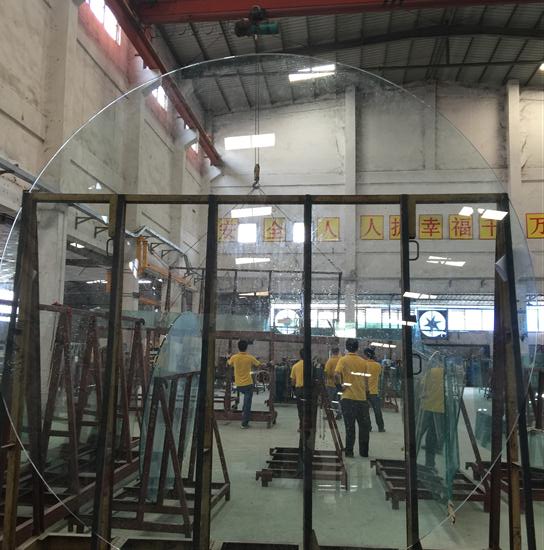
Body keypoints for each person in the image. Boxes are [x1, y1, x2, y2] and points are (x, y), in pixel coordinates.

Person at [335, 339, 371, 458]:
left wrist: (340, 387)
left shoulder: (343, 360)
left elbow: (336, 374)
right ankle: (364, 452)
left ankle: (349, 452)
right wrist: (367, 394)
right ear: (357, 348)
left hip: (348, 399)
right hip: (361, 399)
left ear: (346, 348)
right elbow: (366, 380)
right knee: (364, 427)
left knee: (350, 427)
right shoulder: (363, 362)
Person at [227, 340, 260, 429]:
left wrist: (228, 357)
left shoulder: (234, 357)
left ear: (238, 347)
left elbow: (229, 363)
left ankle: (243, 413)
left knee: (245, 402)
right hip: (248, 384)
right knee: (247, 403)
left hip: (238, 384)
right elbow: (258, 364)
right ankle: (244, 422)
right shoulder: (250, 357)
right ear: (246, 347)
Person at [418, 364, 445, 469]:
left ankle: (412, 459)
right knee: (432, 438)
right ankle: (430, 464)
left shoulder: (431, 372)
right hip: (439, 409)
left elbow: (422, 387)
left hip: (427, 407)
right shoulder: (447, 373)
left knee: (418, 434)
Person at [363, 347, 385, 432]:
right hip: (374, 391)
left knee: (365, 411)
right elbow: (379, 374)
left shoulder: (363, 364)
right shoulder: (378, 365)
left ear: (366, 355)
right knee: (377, 410)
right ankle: (381, 427)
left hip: (364, 391)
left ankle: (368, 427)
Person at [324, 347, 342, 419]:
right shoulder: (341, 360)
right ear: (338, 352)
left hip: (331, 384)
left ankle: (329, 415)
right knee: (337, 400)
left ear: (331, 352)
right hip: (339, 384)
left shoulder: (330, 361)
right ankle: (339, 413)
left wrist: (328, 378)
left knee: (329, 400)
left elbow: (327, 372)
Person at [290, 349, 305, 430]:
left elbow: (293, 381)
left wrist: (293, 389)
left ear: (300, 355)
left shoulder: (295, 366)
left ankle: (301, 426)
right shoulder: (311, 366)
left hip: (299, 390)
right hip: (309, 390)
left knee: (300, 409)